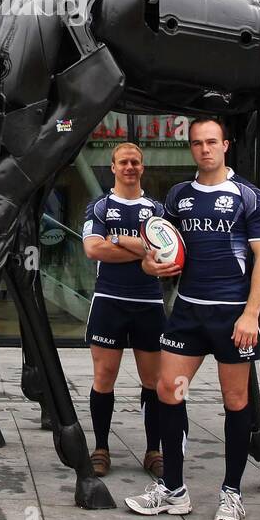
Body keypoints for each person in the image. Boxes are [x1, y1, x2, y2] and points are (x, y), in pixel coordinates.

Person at [124, 118, 260, 520]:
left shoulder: (250, 198)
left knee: (236, 402)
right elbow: (159, 248)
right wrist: (150, 264)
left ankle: (231, 494)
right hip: (188, 312)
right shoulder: (178, 196)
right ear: (191, 148)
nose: (204, 149)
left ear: (226, 145)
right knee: (167, 392)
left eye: (212, 142)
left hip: (233, 316)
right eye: (197, 143)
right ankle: (173, 490)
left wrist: (250, 314)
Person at [80, 142, 168, 479]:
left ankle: (153, 450)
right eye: (123, 162)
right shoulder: (100, 207)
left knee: (153, 381)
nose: (129, 167)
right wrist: (141, 248)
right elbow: (93, 249)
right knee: (104, 378)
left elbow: (164, 253)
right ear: (113, 167)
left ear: (142, 168)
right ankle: (101, 448)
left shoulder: (157, 210)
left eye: (135, 162)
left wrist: (117, 239)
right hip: (109, 301)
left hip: (148, 302)